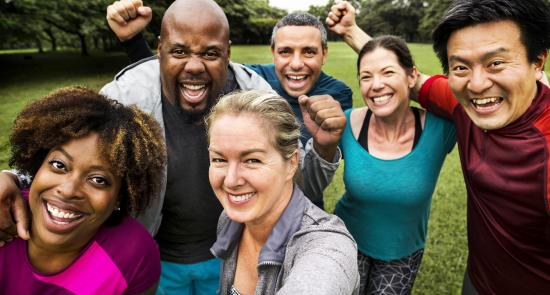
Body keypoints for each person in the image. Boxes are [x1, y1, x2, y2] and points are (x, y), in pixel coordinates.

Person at [0, 0, 346, 294]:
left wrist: (325, 146)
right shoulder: (127, 96)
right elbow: (72, 160)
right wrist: (14, 178)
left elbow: (300, 183)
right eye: (179, 51)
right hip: (153, 259)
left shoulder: (258, 101)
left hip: (232, 256)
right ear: (160, 50)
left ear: (227, 53)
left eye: (210, 53)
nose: (194, 66)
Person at [328, 0, 550, 293]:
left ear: (537, 62)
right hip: (477, 280)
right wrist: (351, 31)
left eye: (496, 63)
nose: (478, 84)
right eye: (461, 66)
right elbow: (406, 77)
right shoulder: (462, 103)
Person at [106, 0, 353, 145]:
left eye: (308, 52)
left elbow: (386, 76)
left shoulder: (336, 94)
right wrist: (133, 42)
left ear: (325, 53)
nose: (297, 63)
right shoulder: (254, 81)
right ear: (273, 52)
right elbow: (187, 73)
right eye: (286, 51)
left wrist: (351, 32)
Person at [0, 87, 165, 294]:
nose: (69, 190)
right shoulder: (2, 215)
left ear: (119, 197)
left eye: (98, 179)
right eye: (59, 165)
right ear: (37, 165)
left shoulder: (134, 254)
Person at [206, 90, 359, 295]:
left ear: (292, 163)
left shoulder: (327, 245)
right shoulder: (231, 220)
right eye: (219, 159)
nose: (231, 180)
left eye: (252, 160)